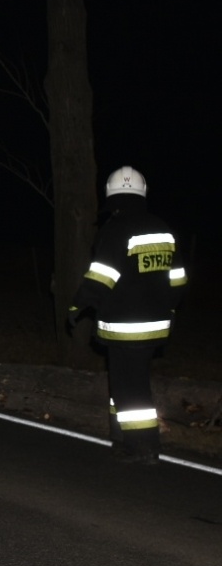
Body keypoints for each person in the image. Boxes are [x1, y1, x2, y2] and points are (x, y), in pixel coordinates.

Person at [67, 166, 188, 465]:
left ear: (111, 197)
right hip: (158, 324)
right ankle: (122, 437)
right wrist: (169, 308)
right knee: (125, 383)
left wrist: (77, 305)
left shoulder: (115, 229)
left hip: (125, 326)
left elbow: (102, 277)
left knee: (131, 388)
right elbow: (178, 279)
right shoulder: (162, 228)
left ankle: (144, 447)